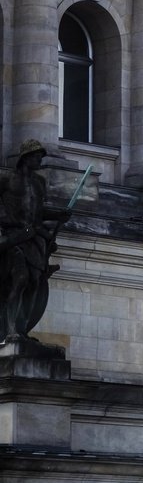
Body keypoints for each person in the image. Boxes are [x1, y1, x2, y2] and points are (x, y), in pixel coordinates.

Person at [0, 140, 70, 342]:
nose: (40, 160)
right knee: (20, 279)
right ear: (26, 158)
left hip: (34, 237)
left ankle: (21, 330)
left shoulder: (39, 183)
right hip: (14, 237)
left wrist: (58, 215)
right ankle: (10, 329)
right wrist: (10, 222)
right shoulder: (6, 180)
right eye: (37, 156)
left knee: (34, 283)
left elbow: (38, 213)